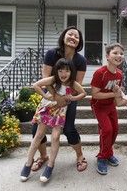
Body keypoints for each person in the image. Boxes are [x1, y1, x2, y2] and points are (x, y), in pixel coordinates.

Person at [30, 26, 88, 173]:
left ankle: (80, 155)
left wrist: (66, 100)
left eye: (77, 36)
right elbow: (45, 78)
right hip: (51, 94)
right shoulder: (51, 53)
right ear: (63, 37)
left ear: (79, 42)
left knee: (69, 129)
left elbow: (78, 85)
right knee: (36, 129)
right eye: (70, 34)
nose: (73, 37)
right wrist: (56, 97)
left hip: (69, 96)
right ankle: (43, 156)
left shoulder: (80, 60)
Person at [20, 58, 86, 182]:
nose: (63, 74)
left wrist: (73, 97)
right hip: (47, 108)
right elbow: (36, 85)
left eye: (66, 71)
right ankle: (28, 163)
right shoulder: (53, 79)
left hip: (60, 111)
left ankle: (50, 165)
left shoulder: (72, 83)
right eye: (60, 70)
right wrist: (45, 96)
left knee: (55, 136)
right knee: (39, 134)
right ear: (56, 71)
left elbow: (84, 93)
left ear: (71, 72)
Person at [90, 43, 124, 175]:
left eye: (121, 53)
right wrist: (113, 94)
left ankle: (108, 152)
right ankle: (102, 157)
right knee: (107, 129)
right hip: (98, 105)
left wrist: (118, 92)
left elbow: (116, 90)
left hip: (110, 105)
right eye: (115, 53)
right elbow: (95, 94)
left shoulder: (119, 74)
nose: (119, 55)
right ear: (107, 56)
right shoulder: (100, 73)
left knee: (114, 130)